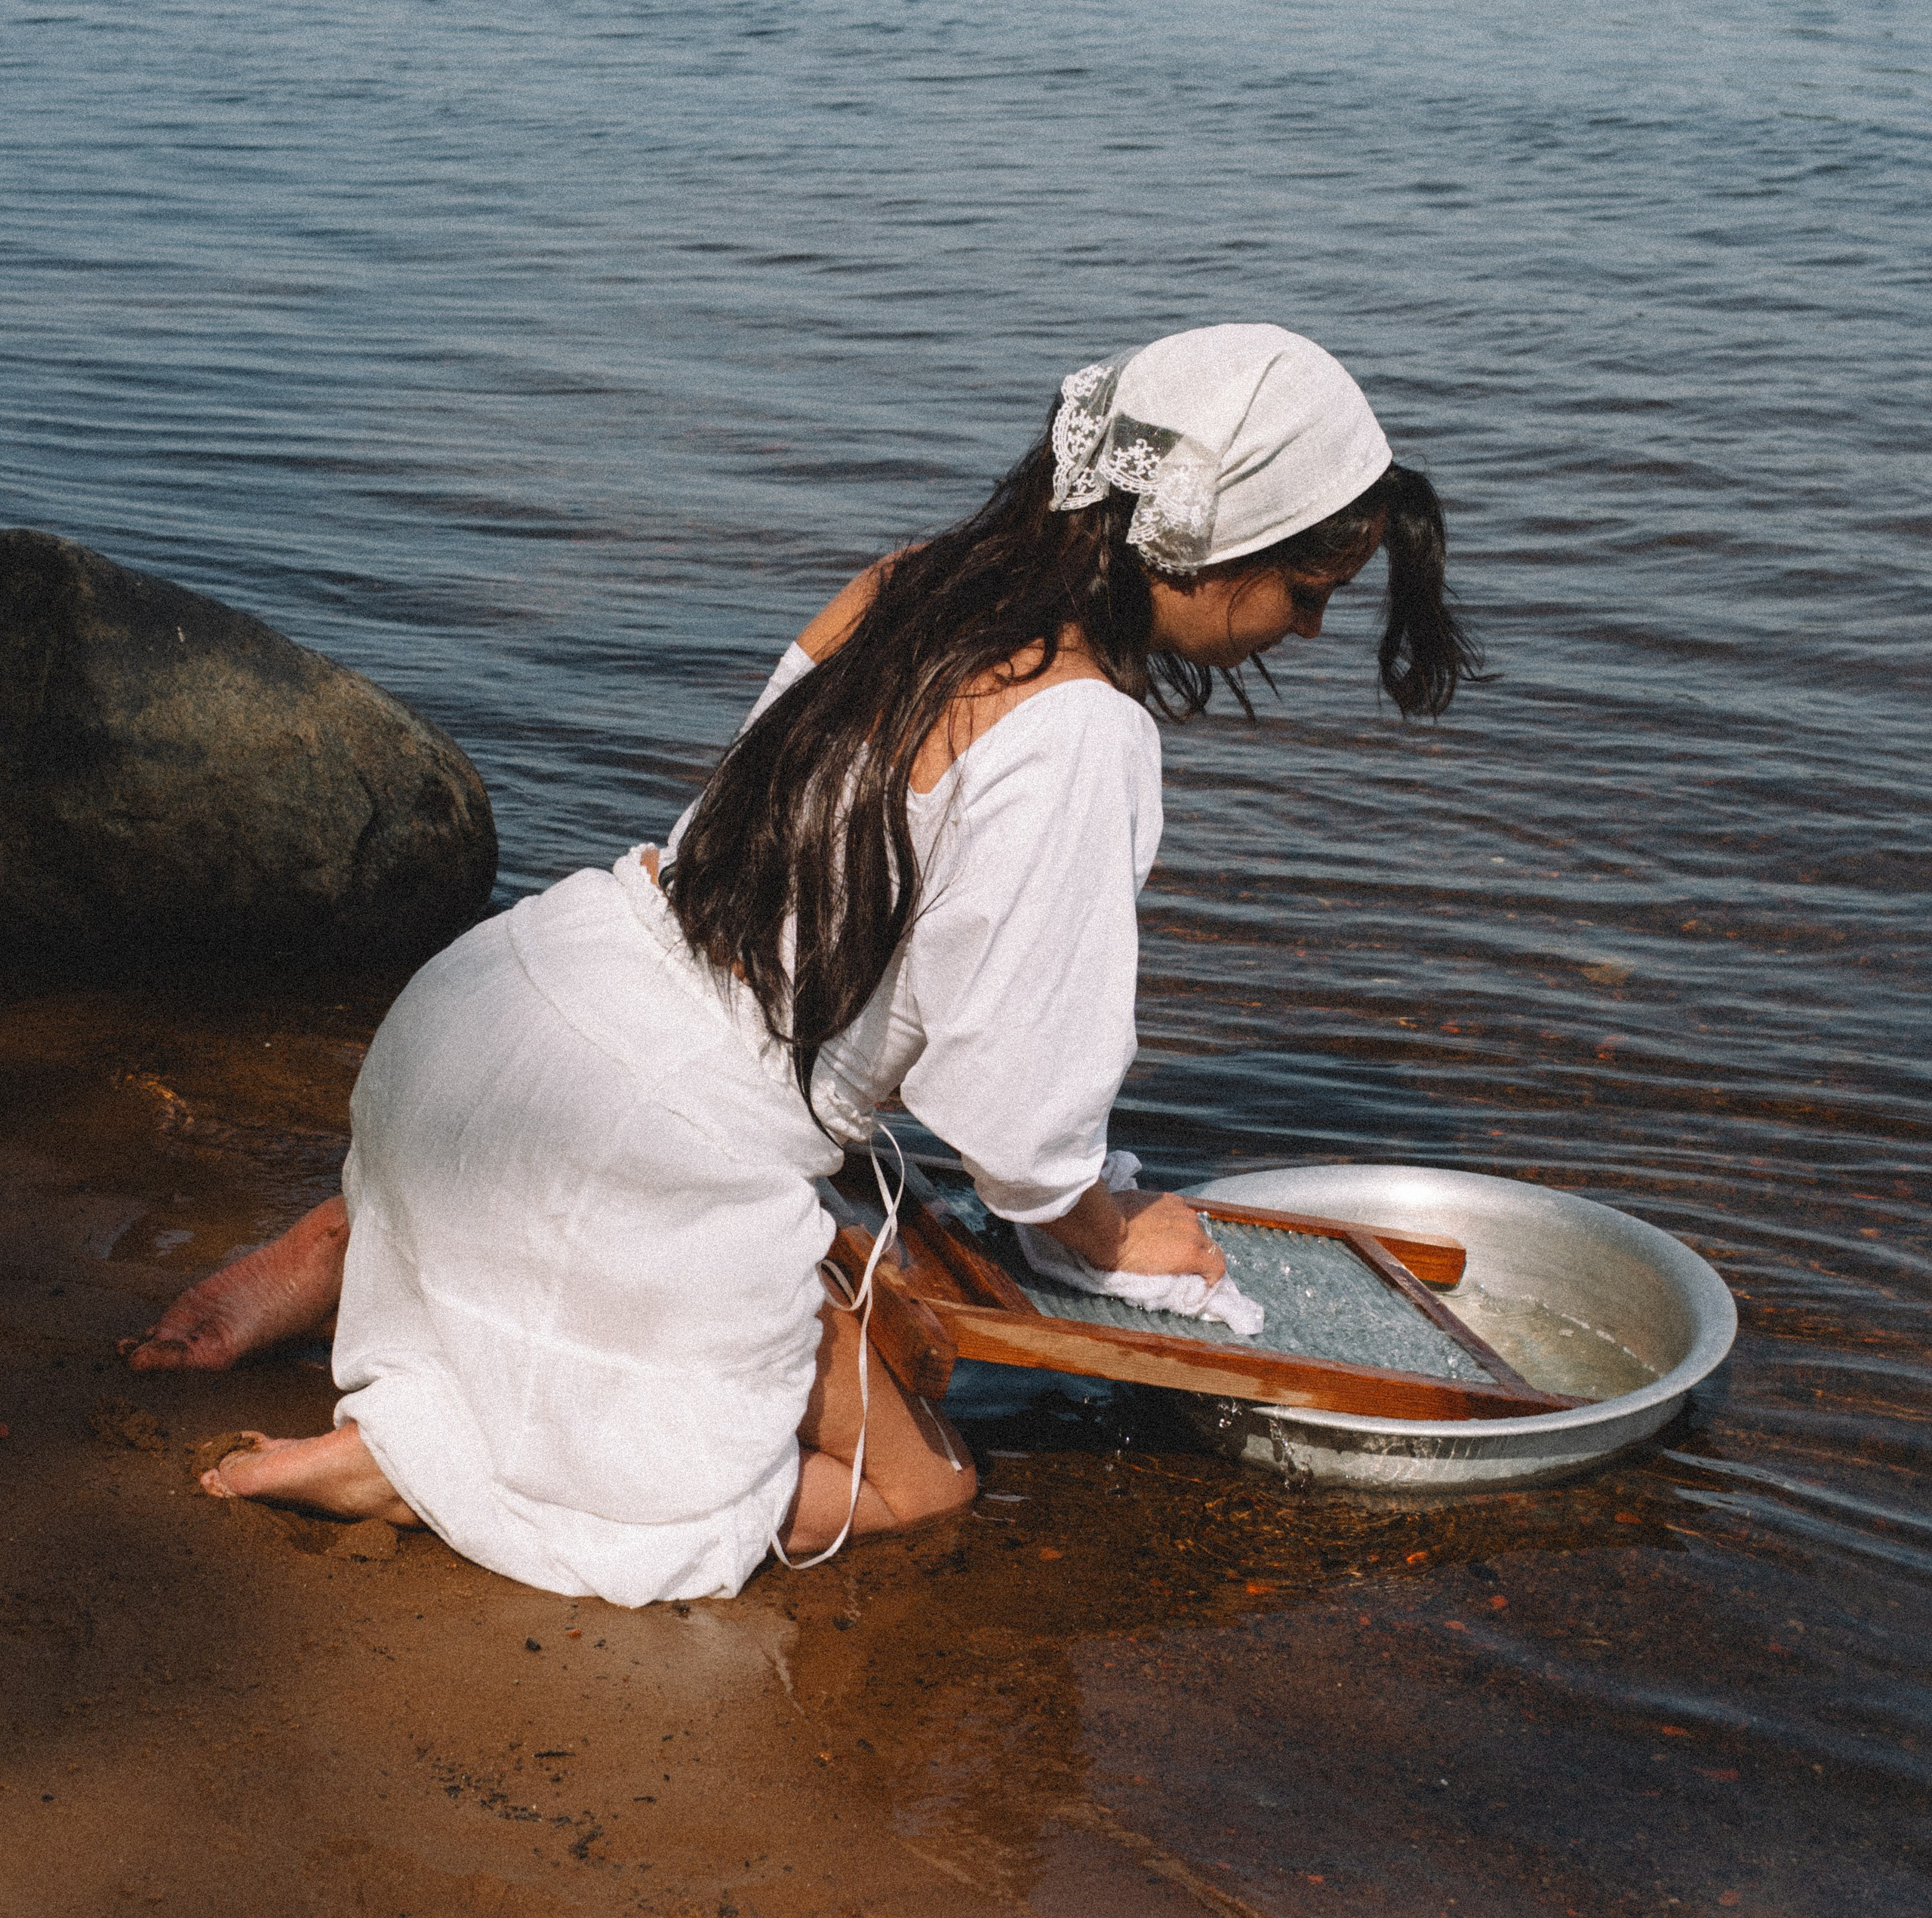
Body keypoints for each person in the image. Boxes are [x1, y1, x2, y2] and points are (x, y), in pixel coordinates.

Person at [125, 325, 1476, 1604]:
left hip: (495, 1011)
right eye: (1308, 594)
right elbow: (1014, 1105)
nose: (1304, 635)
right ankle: (430, 1467)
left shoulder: (919, 584)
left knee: (820, 1290)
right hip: (639, 1135)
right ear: (1211, 539)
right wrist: (1111, 1227)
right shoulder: (1084, 734)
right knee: (918, 1482)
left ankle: (352, 1237)